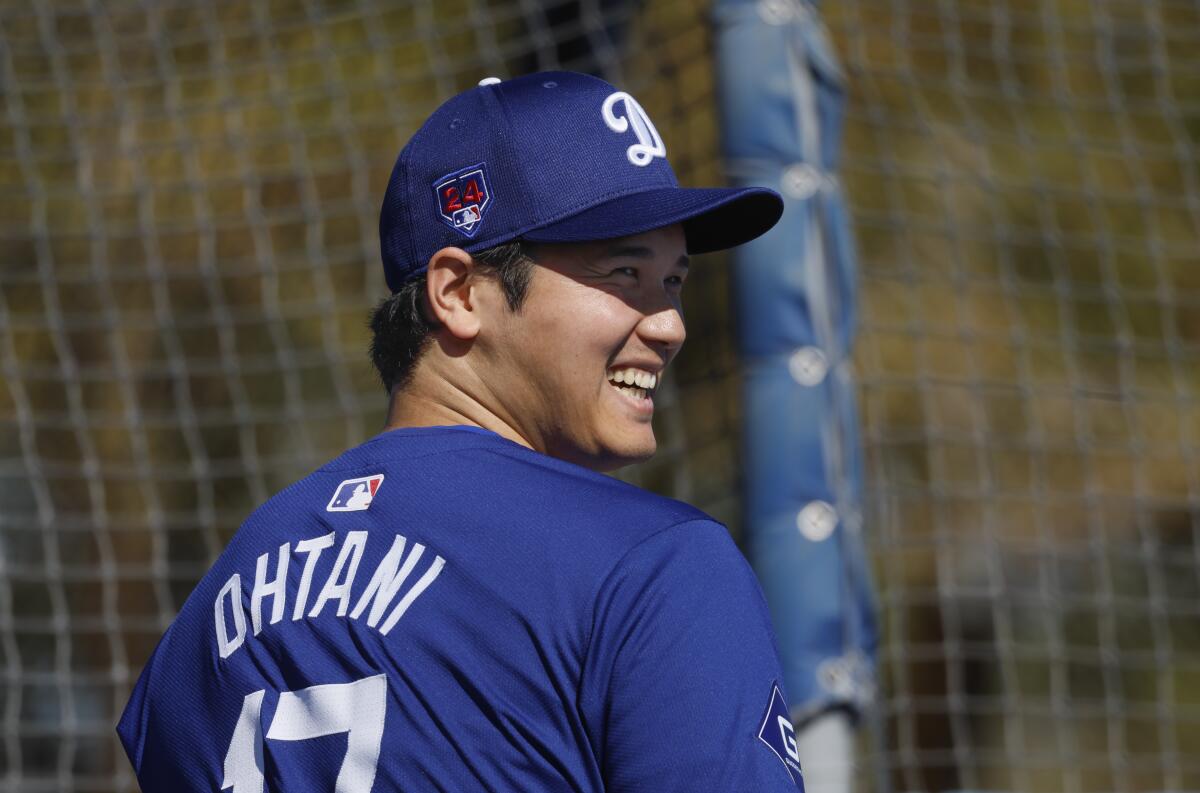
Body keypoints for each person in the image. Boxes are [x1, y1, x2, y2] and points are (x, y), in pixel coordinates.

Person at [117, 70, 803, 792]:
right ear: (456, 293)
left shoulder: (216, 604)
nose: (669, 325)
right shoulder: (654, 567)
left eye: (673, 281)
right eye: (624, 269)